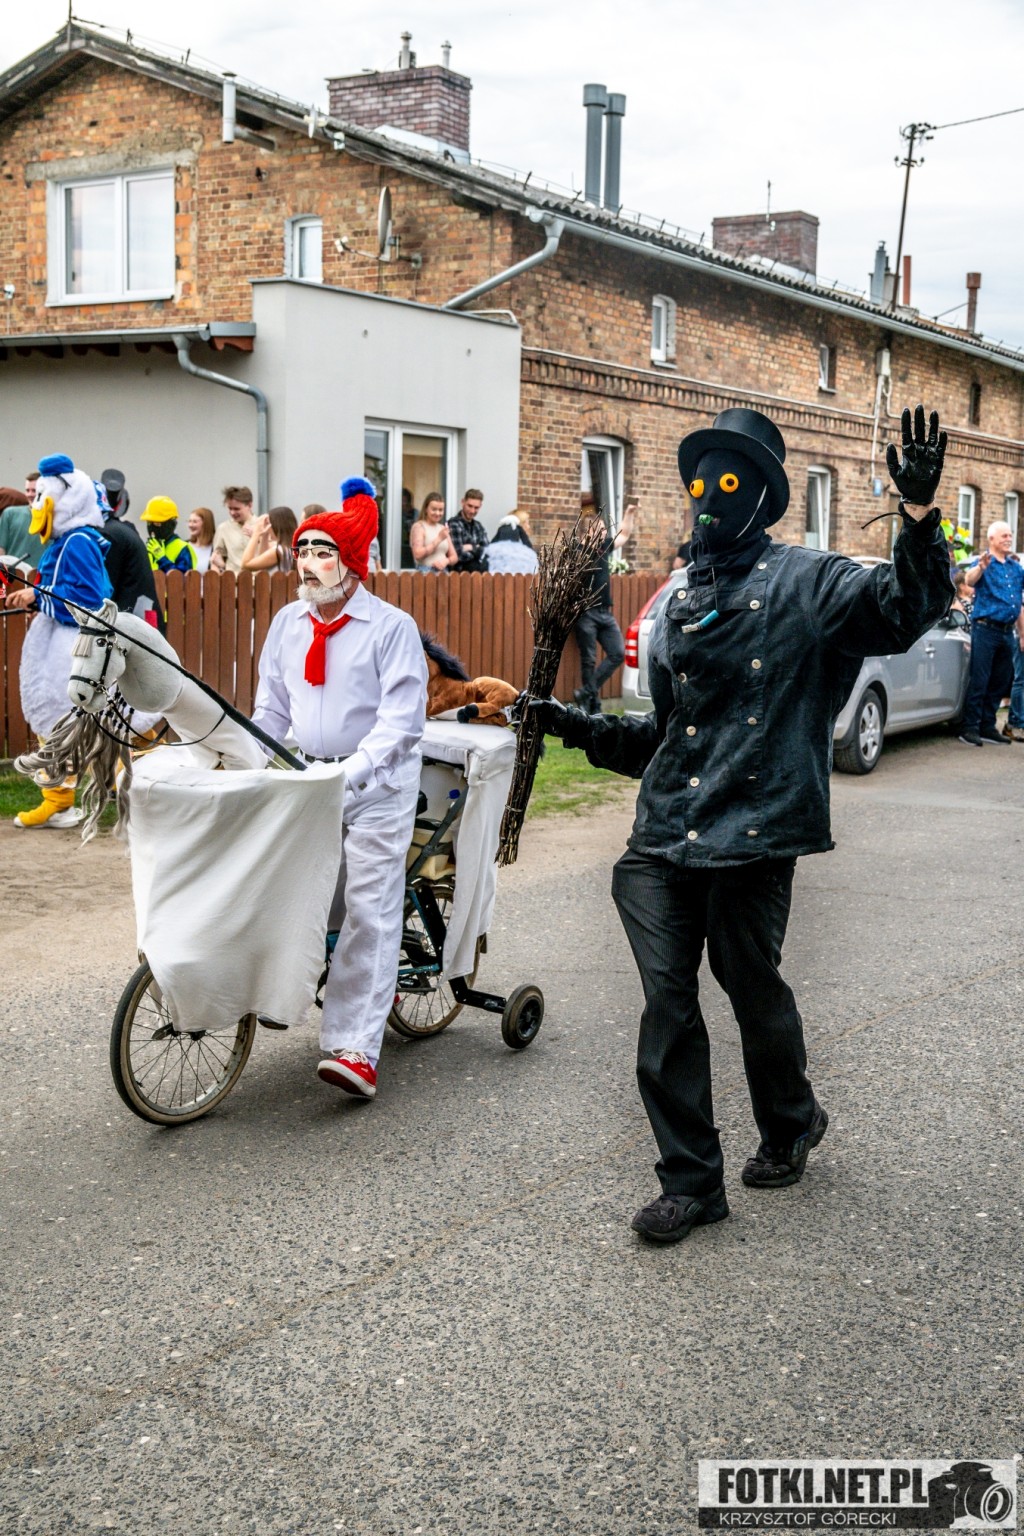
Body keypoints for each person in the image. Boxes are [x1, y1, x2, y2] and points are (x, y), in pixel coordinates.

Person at [529, 404, 952, 1243]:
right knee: (668, 1004)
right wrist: (569, 725)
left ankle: (792, 1120)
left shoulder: (810, 583)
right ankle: (691, 1183)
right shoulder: (684, 598)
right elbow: (666, 738)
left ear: (760, 492)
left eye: (727, 482)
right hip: (664, 838)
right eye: (699, 485)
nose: (708, 500)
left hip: (755, 832)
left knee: (749, 981)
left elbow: (904, 608)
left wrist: (916, 514)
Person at [251, 477, 427, 1099]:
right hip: (311, 779)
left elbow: (401, 724)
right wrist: (246, 760)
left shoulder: (391, 628)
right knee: (293, 889)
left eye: (322, 551)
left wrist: (349, 774)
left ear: (351, 563)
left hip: (377, 786)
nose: (307, 562)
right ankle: (289, 988)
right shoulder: (288, 623)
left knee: (368, 909)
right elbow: (271, 709)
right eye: (302, 550)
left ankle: (356, 1047)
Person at [2, 453, 113, 828]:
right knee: (57, 722)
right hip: (60, 643)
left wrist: (38, 595)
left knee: (75, 721)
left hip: (73, 647)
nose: (35, 505)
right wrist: (38, 597)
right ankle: (58, 800)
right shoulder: (68, 540)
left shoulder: (78, 541)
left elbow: (88, 599)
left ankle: (142, 788)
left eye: (40, 497)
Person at [959, 520, 1024, 747]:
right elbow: (969, 579)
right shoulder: (984, 562)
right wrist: (981, 568)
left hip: (1007, 631)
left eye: (1010, 535)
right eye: (1004, 535)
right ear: (992, 539)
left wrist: (1022, 633)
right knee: (980, 679)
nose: (1008, 539)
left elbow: (1019, 603)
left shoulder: (1015, 568)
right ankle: (970, 727)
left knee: (1001, 680)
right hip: (986, 629)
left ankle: (988, 725)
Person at [572, 499, 638, 713]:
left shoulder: (603, 548)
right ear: (588, 531)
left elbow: (624, 535)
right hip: (586, 613)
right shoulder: (577, 552)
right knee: (589, 660)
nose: (604, 533)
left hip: (605, 613)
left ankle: (586, 692)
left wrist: (629, 513)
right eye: (600, 530)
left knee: (618, 653)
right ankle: (593, 707)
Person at [96, 478, 162, 631]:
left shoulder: (109, 535)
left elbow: (107, 590)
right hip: (140, 618)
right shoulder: (122, 530)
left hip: (130, 624)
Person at [141, 498, 198, 574]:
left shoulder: (183, 549)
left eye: (157, 523)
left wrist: (162, 558)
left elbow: (181, 578)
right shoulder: (149, 547)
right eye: (149, 523)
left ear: (171, 524)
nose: (152, 528)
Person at [212, 486, 256, 574]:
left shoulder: (262, 526)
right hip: (233, 580)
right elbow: (216, 559)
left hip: (259, 579)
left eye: (236, 509)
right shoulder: (223, 528)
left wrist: (257, 537)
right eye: (230, 508)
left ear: (250, 505)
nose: (232, 513)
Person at [241, 506, 297, 573]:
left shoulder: (279, 551)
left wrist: (256, 534)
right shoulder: (291, 547)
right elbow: (262, 563)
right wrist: (265, 534)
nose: (268, 528)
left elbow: (245, 564)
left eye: (269, 524)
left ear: (276, 526)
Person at [0, 481, 43, 569]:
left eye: (34, 490)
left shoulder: (56, 518)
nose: (30, 494)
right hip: (13, 571)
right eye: (27, 490)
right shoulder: (10, 513)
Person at [410, 492, 457, 572]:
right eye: (434, 509)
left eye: (440, 510)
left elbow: (454, 557)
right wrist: (439, 539)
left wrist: (446, 561)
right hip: (425, 571)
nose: (437, 513)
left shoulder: (442, 528)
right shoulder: (419, 527)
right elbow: (417, 554)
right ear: (426, 509)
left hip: (443, 572)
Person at [447, 488, 490, 573]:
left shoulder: (478, 526)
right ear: (463, 502)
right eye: (469, 506)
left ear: (480, 506)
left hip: (480, 574)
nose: (472, 511)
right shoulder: (454, 524)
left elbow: (488, 551)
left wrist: (470, 547)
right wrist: (477, 548)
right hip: (460, 575)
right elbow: (458, 555)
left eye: (476, 508)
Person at [186, 508, 217, 574]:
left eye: (194, 522)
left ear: (206, 524)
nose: (190, 525)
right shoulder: (185, 546)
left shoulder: (216, 548)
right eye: (189, 521)